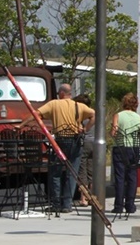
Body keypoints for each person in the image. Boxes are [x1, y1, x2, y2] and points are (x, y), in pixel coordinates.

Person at [22, 83, 95, 213]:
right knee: (71, 173)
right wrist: (85, 129)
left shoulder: (54, 104)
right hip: (75, 141)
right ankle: (67, 204)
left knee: (55, 172)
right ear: (69, 93)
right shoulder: (78, 106)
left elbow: (36, 114)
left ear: (61, 93)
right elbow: (93, 114)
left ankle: (56, 203)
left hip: (60, 141)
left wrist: (21, 125)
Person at [110, 92, 140, 214]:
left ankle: (118, 205)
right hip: (134, 148)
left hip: (120, 147)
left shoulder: (118, 115)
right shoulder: (138, 117)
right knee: (132, 176)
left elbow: (114, 132)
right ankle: (130, 205)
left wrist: (111, 131)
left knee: (120, 177)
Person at [72, 94, 94, 207]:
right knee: (92, 171)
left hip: (84, 143)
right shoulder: (95, 113)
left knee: (82, 170)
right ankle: (92, 197)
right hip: (96, 144)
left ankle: (83, 198)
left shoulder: (82, 115)